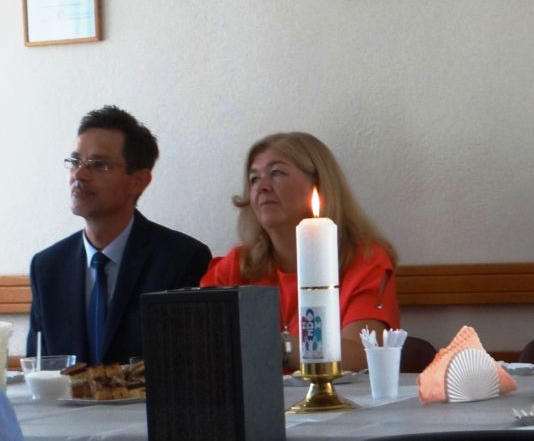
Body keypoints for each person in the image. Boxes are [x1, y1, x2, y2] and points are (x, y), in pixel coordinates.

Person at [27, 106, 211, 364]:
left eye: (98, 165)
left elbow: (189, 365)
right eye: (75, 162)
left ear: (138, 181)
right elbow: (38, 368)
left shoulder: (181, 259)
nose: (79, 174)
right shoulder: (47, 267)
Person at [201, 132, 400, 371]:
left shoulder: (364, 260)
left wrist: (274, 344)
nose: (262, 187)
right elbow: (201, 342)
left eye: (277, 173)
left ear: (319, 186)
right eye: (254, 179)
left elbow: (361, 356)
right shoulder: (236, 266)